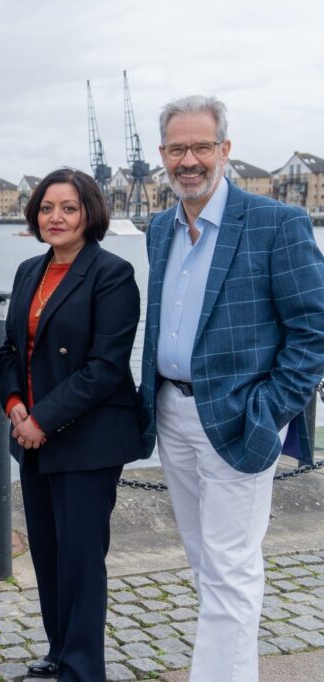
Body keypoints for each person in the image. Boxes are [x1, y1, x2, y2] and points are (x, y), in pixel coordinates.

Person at [140, 95, 324, 681]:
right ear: (162, 154)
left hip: (240, 417)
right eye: (176, 148)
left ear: (225, 150)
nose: (187, 160)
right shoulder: (158, 228)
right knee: (205, 564)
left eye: (200, 146)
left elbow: (313, 329)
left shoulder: (276, 223)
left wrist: (268, 410)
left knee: (230, 570)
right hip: (172, 412)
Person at [0, 169, 144, 681]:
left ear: (89, 214)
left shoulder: (112, 274)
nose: (55, 217)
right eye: (46, 208)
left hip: (88, 440)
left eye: (68, 208)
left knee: (81, 561)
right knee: (49, 555)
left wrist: (43, 419)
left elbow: (106, 367)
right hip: (32, 439)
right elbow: (11, 349)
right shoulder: (27, 274)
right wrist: (15, 404)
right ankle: (61, 652)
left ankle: (83, 670)